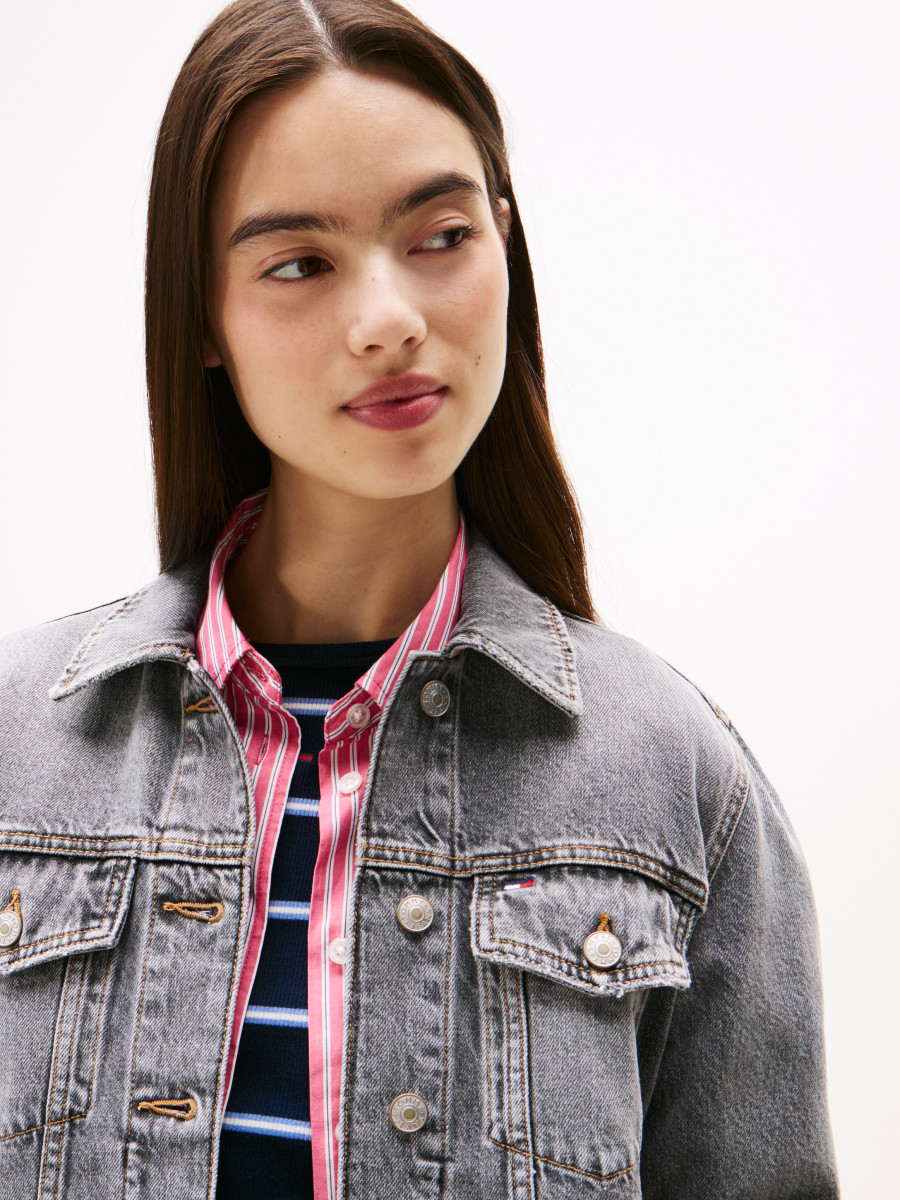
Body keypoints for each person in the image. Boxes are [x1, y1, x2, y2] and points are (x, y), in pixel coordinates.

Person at [0, 0, 838, 1197]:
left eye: (441, 236)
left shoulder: (679, 780)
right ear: (202, 316)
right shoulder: (20, 746)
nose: (390, 319)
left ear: (506, 244)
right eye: (300, 263)